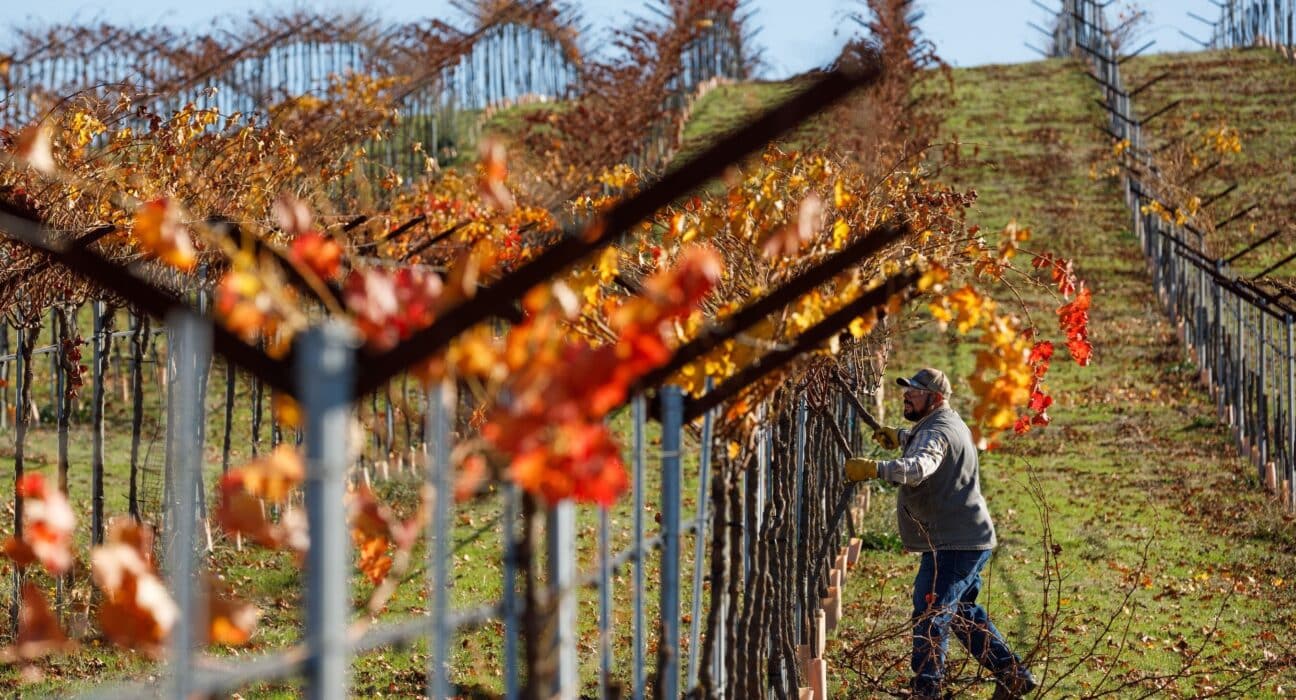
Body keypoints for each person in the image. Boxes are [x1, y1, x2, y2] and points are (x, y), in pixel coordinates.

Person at [843, 368, 1036, 699]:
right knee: (961, 613)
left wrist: (876, 469)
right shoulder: (943, 423)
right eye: (906, 390)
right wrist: (902, 436)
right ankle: (1012, 675)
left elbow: (919, 468)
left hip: (955, 544)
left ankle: (926, 690)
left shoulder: (938, 432)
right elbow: (929, 442)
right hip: (966, 539)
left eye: (914, 392)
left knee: (931, 612)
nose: (906, 395)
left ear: (936, 398)